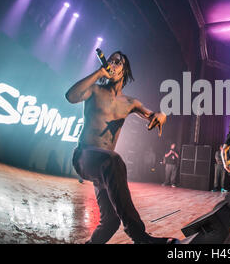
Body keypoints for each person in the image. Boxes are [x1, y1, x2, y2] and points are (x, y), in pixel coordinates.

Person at [65, 50, 176, 244]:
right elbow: (71, 96)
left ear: (124, 71)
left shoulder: (130, 103)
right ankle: (141, 238)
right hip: (85, 157)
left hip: (105, 167)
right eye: (110, 61)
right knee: (114, 159)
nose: (112, 64)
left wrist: (162, 115)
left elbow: (153, 115)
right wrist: (99, 73)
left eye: (118, 62)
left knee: (111, 221)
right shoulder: (95, 91)